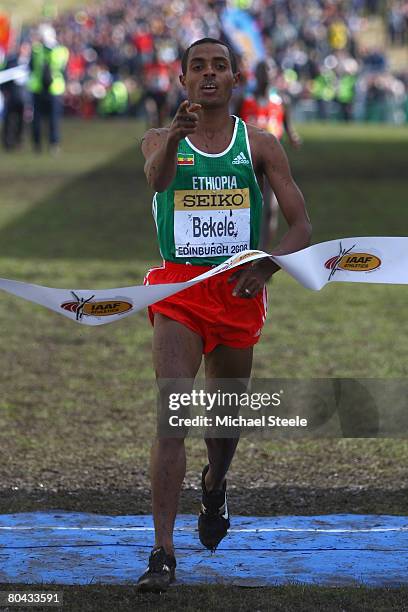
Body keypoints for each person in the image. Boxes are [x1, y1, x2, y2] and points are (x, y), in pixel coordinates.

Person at [138, 37, 311, 592]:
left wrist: (269, 266)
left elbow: (301, 227)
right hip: (179, 289)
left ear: (236, 79)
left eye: (219, 67)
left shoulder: (261, 145)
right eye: (198, 67)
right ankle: (162, 552)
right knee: (174, 417)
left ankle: (214, 484)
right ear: (182, 79)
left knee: (225, 424)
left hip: (237, 291)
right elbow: (157, 180)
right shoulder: (159, 140)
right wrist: (174, 142)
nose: (208, 75)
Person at [237, 60, 302, 249]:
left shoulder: (281, 100)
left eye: (269, 70)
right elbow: (229, 123)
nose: (265, 74)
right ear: (255, 74)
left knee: (270, 210)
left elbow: (289, 128)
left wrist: (294, 138)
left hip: (272, 161)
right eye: (261, 70)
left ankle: (262, 253)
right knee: (244, 208)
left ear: (274, 73)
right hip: (244, 160)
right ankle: (241, 251)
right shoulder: (244, 98)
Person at [27, 24, 69, 153]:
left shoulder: (36, 50)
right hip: (55, 89)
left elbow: (31, 67)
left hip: (39, 88)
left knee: (38, 118)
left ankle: (37, 145)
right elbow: (64, 70)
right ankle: (53, 144)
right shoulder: (62, 51)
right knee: (53, 119)